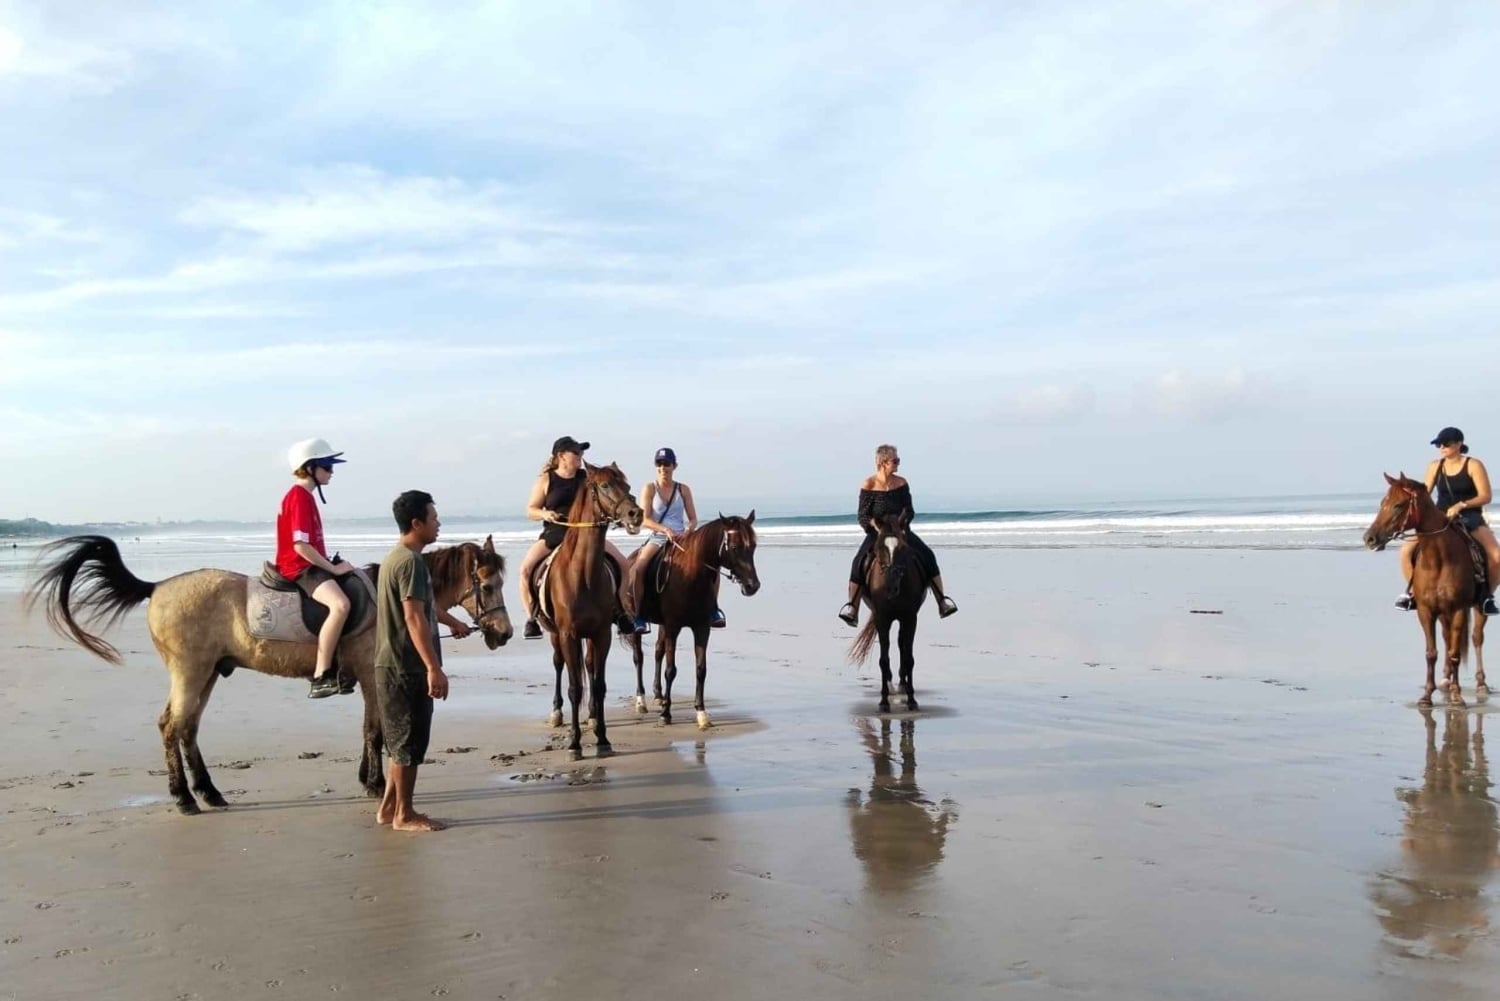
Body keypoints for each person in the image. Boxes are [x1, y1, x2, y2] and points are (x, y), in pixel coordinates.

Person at [373, 489, 472, 833]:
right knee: (409, 745)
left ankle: (389, 807)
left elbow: (426, 607)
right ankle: (405, 814)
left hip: (392, 664)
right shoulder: (412, 562)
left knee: (401, 741)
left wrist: (453, 623)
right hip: (407, 666)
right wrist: (433, 667)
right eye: (433, 518)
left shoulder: (396, 558)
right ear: (416, 524)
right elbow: (413, 618)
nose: (438, 523)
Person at [517, 436, 637, 639]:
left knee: (624, 565)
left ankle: (620, 609)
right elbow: (531, 510)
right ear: (561, 456)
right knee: (526, 570)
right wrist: (545, 514)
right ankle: (532, 618)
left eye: (581, 453)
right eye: (576, 452)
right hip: (556, 533)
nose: (580, 456)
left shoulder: (586, 478)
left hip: (586, 534)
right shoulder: (547, 479)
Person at [838, 444, 958, 627]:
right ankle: (853, 608)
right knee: (858, 562)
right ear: (883, 462)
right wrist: (875, 525)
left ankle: (942, 601)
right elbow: (862, 515)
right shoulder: (869, 484)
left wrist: (902, 525)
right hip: (877, 534)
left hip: (901, 532)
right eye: (895, 460)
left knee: (928, 555)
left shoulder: (901, 483)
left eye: (898, 460)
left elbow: (909, 510)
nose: (898, 464)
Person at [276, 438, 356, 699]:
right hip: (299, 568)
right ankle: (321, 674)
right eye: (327, 466)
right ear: (310, 468)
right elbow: (301, 547)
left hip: (310, 564)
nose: (331, 472)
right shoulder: (299, 497)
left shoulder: (306, 497)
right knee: (341, 605)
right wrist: (332, 570)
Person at [1396, 427, 1500, 616]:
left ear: (1459, 444)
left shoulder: (1473, 464)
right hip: (1440, 516)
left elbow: (1485, 496)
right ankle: (1413, 594)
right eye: (1438, 444)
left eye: (1446, 444)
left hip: (1470, 516)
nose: (1441, 447)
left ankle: (1486, 597)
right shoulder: (1436, 465)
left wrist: (1461, 505)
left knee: (1497, 556)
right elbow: (1425, 494)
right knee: (1405, 551)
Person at [627, 447, 726, 633]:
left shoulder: (683, 489)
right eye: (659, 464)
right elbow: (645, 519)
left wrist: (688, 530)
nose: (663, 468)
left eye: (667, 464)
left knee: (713, 567)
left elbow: (693, 519)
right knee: (639, 568)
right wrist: (664, 529)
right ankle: (639, 616)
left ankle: (713, 609)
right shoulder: (649, 488)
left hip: (682, 537)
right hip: (658, 537)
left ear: (674, 466)